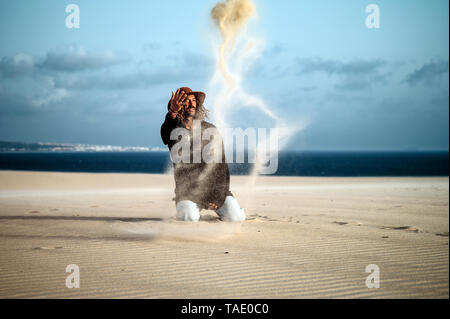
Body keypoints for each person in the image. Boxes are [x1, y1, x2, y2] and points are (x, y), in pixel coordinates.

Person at [160, 87, 245, 222]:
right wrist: (172, 112)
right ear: (178, 105)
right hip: (188, 193)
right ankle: (187, 210)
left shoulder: (210, 129)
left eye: (193, 100)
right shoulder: (173, 130)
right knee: (189, 217)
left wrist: (219, 194)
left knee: (235, 218)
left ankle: (227, 208)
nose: (191, 104)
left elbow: (221, 166)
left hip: (214, 190)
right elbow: (165, 131)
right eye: (186, 101)